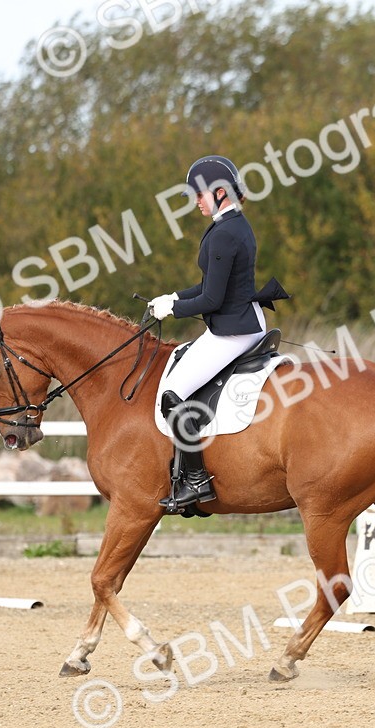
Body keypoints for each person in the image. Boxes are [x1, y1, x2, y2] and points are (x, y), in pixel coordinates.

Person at [147, 155, 287, 512]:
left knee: (172, 395)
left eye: (200, 194)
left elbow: (212, 299)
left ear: (220, 192)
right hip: (242, 321)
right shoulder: (232, 224)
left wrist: (174, 310)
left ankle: (196, 481)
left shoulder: (225, 233)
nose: (196, 201)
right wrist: (175, 296)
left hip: (232, 331)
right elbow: (209, 284)